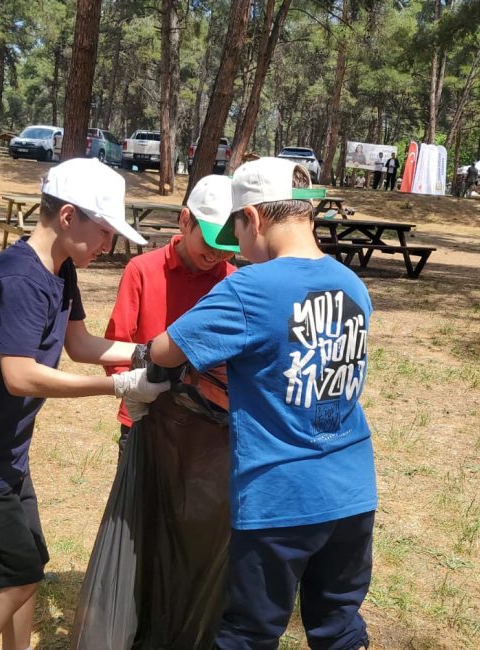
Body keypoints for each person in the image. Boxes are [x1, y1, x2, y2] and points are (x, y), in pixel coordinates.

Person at [0, 158, 170, 650]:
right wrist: (117, 387)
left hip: (2, 448)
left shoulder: (60, 270)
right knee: (15, 578)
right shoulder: (20, 280)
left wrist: (151, 353)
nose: (108, 245)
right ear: (69, 217)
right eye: (104, 232)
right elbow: (20, 376)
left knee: (25, 565)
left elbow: (81, 345)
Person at [149, 157, 376, 650]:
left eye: (235, 231)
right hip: (352, 489)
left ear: (252, 218)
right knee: (339, 625)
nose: (235, 248)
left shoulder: (249, 288)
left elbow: (167, 349)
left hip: (280, 495)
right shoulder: (353, 284)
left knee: (249, 633)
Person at [103, 175, 239, 458]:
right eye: (211, 241)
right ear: (186, 220)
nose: (217, 253)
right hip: (146, 416)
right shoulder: (141, 269)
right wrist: (132, 388)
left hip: (208, 421)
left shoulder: (232, 281)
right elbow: (117, 342)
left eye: (227, 246)